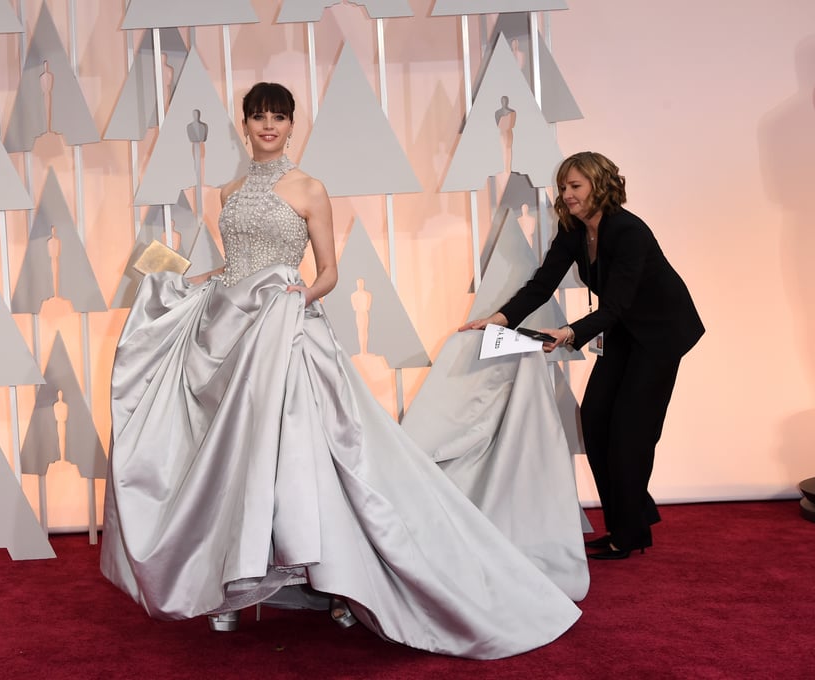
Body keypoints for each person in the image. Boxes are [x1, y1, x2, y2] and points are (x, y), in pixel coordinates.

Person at [100, 82, 581, 659]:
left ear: (291, 125)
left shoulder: (308, 188)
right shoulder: (226, 192)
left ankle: (338, 582)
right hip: (234, 336)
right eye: (259, 118)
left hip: (291, 334)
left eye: (279, 118)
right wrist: (186, 284)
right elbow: (234, 267)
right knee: (240, 459)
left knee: (313, 455)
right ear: (245, 125)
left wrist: (290, 305)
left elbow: (326, 272)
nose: (269, 127)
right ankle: (234, 585)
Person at [461, 151, 704, 560]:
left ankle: (627, 534)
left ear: (599, 184)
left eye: (575, 186)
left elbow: (618, 303)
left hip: (661, 335)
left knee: (631, 434)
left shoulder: (629, 231)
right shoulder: (574, 230)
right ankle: (634, 517)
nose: (567, 195)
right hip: (625, 329)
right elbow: (542, 285)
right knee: (594, 421)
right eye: (563, 187)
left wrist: (572, 332)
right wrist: (498, 319)